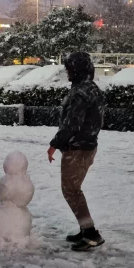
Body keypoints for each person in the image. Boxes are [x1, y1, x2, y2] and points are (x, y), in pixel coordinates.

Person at [48, 51, 107, 251]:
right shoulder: (91, 89)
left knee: (71, 190)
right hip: (87, 145)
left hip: (78, 148)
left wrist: (55, 143)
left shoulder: (80, 92)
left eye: (69, 69)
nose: (67, 72)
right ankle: (85, 229)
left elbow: (72, 123)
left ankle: (91, 233)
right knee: (74, 189)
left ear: (77, 70)